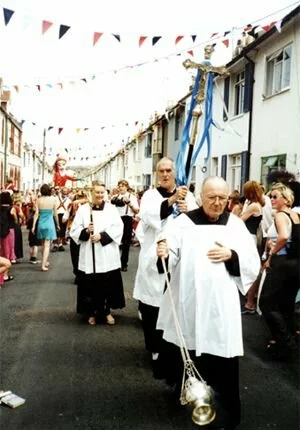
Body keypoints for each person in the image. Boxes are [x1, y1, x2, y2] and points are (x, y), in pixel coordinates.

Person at [156, 176, 260, 430]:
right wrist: (164, 251)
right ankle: (192, 400)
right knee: (189, 352)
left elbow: (251, 261)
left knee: (223, 356)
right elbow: (168, 247)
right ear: (201, 197)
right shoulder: (183, 223)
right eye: (211, 197)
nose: (216, 203)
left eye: (222, 198)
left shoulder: (235, 225)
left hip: (220, 307)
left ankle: (227, 415)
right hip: (189, 302)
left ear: (228, 199)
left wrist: (231, 255)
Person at [133, 157, 198, 374]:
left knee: (175, 304)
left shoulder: (187, 195)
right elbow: (149, 217)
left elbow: (196, 223)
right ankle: (154, 347)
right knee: (152, 306)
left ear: (174, 171)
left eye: (168, 170)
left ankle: (174, 346)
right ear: (156, 173)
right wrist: (171, 202)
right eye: (161, 170)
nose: (165, 174)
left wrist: (187, 209)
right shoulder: (150, 196)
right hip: (154, 256)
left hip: (178, 257)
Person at [70, 182, 125, 326]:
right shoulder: (83, 210)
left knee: (107, 283)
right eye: (97, 192)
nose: (100, 195)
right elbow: (74, 231)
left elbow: (119, 227)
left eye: (102, 192)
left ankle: (107, 312)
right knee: (91, 285)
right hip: (90, 254)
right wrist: (87, 231)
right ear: (91, 193)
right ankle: (91, 312)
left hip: (106, 253)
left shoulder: (111, 209)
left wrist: (102, 236)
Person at [259, 183, 300, 360]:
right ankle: (287, 341)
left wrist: (271, 254)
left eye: (275, 196)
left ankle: (286, 344)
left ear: (286, 198)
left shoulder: (281, 215)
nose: (272, 200)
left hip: (281, 263)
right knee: (286, 303)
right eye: (271, 197)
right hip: (295, 264)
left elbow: (283, 236)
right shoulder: (296, 215)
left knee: (266, 302)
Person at [110, 180, 139, 272]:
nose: (121, 188)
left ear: (127, 187)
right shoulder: (115, 197)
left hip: (127, 219)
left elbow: (137, 211)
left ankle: (124, 263)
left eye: (123, 186)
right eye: (119, 186)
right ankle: (114, 263)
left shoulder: (132, 197)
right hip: (116, 219)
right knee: (114, 241)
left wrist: (129, 203)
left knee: (126, 242)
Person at [32, 184, 59, 272]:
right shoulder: (53, 200)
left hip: (41, 223)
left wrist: (33, 226)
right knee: (47, 244)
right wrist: (57, 224)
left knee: (43, 244)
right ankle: (43, 265)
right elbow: (55, 214)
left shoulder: (38, 200)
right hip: (49, 223)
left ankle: (45, 261)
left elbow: (36, 214)